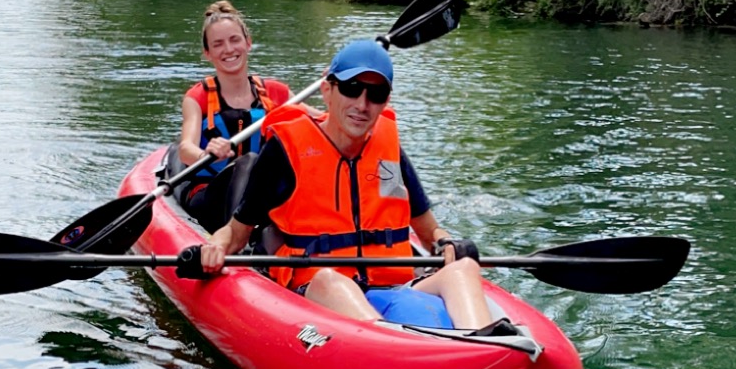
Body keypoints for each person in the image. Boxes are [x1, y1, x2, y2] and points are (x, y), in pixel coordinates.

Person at [198, 38, 513, 336]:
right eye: (351, 89)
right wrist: (214, 246)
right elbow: (236, 234)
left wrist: (448, 244)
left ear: (384, 102)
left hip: (391, 286)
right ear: (327, 90)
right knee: (332, 281)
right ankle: (391, 349)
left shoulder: (388, 152)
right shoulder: (285, 152)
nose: (362, 104)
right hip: (318, 287)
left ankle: (487, 345)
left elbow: (430, 233)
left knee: (464, 269)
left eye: (375, 95)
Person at [177, 0, 292, 231]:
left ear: (248, 43)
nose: (228, 50)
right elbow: (185, 149)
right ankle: (235, 241)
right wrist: (205, 153)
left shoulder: (278, 93)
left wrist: (336, 88)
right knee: (247, 160)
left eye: (234, 40)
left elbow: (322, 124)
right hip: (211, 196)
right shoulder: (197, 97)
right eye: (218, 44)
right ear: (207, 53)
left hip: (262, 198)